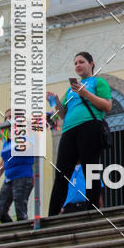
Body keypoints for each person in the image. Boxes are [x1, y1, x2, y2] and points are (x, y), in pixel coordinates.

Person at [47, 52, 112, 215]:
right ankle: (53, 214)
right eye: (75, 63)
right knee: (62, 172)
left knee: (90, 168)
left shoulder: (98, 82)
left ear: (91, 64)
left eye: (81, 62)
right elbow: (63, 114)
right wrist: (55, 102)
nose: (78, 65)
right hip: (69, 130)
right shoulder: (71, 89)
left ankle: (92, 209)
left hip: (90, 126)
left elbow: (107, 106)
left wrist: (86, 94)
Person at [0, 108, 34, 222]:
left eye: (11, 117)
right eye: (6, 118)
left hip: (23, 176)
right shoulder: (6, 141)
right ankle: (14, 230)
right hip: (9, 179)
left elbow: (27, 148)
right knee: (0, 212)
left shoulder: (26, 134)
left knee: (20, 210)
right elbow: (3, 163)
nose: (8, 120)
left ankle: (23, 231)